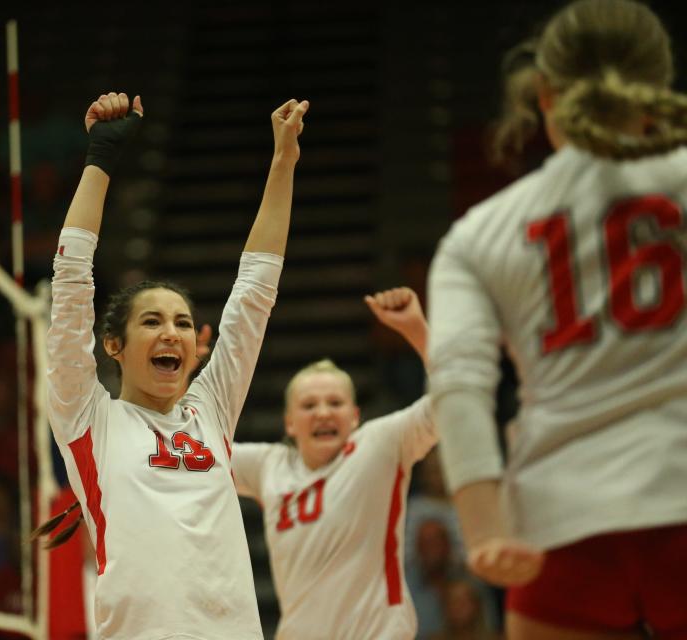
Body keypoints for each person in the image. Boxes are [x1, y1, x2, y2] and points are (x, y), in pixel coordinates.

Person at [426, 0, 687, 638]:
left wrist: (485, 530)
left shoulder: (478, 234)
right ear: (659, 86)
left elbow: (458, 385)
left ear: (543, 95)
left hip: (561, 518)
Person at [36, 91, 307, 639]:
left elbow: (255, 291)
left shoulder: (210, 410)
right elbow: (70, 286)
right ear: (113, 345)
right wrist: (100, 162)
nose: (173, 333)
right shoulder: (89, 420)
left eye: (183, 323)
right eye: (153, 322)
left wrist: (283, 163)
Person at [231, 287, 438, 639]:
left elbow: (453, 399)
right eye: (309, 405)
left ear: (354, 416)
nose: (323, 412)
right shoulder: (269, 465)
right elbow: (193, 448)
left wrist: (416, 329)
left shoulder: (381, 444)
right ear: (289, 423)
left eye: (335, 403)